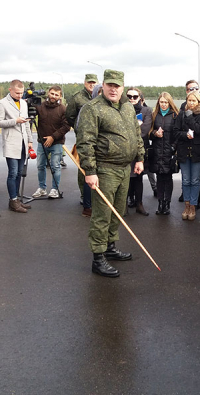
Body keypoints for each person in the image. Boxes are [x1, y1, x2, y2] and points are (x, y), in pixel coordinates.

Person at [76, 69, 144, 278]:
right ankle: (98, 257)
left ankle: (110, 247)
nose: (114, 89)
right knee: (102, 214)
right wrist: (90, 171)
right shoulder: (92, 109)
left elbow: (136, 133)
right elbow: (85, 141)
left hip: (125, 168)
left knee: (118, 211)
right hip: (104, 169)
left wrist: (140, 157)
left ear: (123, 87)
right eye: (110, 85)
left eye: (118, 86)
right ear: (103, 85)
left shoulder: (127, 107)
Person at [0, 79, 33, 213]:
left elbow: (27, 123)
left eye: (22, 93)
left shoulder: (23, 103)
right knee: (12, 173)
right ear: (10, 90)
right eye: (17, 93)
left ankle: (16, 199)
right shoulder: (2, 104)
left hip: (23, 143)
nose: (20, 95)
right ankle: (13, 200)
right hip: (11, 142)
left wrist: (30, 140)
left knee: (19, 173)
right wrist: (14, 121)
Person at [175, 90, 200, 220]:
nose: (191, 103)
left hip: (197, 151)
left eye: (193, 101)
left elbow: (198, 129)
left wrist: (190, 116)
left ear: (199, 102)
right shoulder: (181, 114)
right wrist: (185, 135)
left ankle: (193, 206)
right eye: (189, 100)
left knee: (195, 180)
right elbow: (176, 132)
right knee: (186, 180)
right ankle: (186, 204)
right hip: (184, 151)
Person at [66, 73, 99, 217]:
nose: (91, 85)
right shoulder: (77, 97)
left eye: (94, 82)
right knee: (84, 168)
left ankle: (93, 198)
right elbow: (70, 115)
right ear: (85, 83)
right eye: (89, 82)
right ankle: (84, 198)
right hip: (83, 137)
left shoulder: (101, 97)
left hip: (98, 139)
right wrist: (80, 130)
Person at [32, 85, 70, 199]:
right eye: (52, 93)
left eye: (56, 94)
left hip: (57, 142)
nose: (54, 96)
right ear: (48, 93)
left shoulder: (63, 109)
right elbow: (31, 115)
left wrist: (53, 137)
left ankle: (54, 189)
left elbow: (66, 126)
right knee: (40, 165)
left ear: (60, 96)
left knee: (55, 166)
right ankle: (42, 188)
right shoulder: (40, 106)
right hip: (42, 141)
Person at [149, 92, 179, 215]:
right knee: (160, 177)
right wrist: (155, 133)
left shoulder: (175, 116)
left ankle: (167, 203)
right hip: (157, 150)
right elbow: (149, 132)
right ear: (158, 102)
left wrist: (173, 147)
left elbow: (178, 134)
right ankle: (160, 202)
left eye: (166, 102)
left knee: (168, 177)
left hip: (169, 151)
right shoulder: (154, 114)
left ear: (170, 103)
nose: (164, 104)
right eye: (161, 102)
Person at [126, 87, 152, 216]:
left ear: (140, 98)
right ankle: (124, 204)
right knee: (126, 177)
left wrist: (131, 135)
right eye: (129, 96)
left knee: (138, 177)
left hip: (141, 148)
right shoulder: (122, 110)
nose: (132, 99)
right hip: (125, 148)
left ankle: (139, 204)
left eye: (135, 97)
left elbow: (145, 129)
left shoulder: (146, 110)